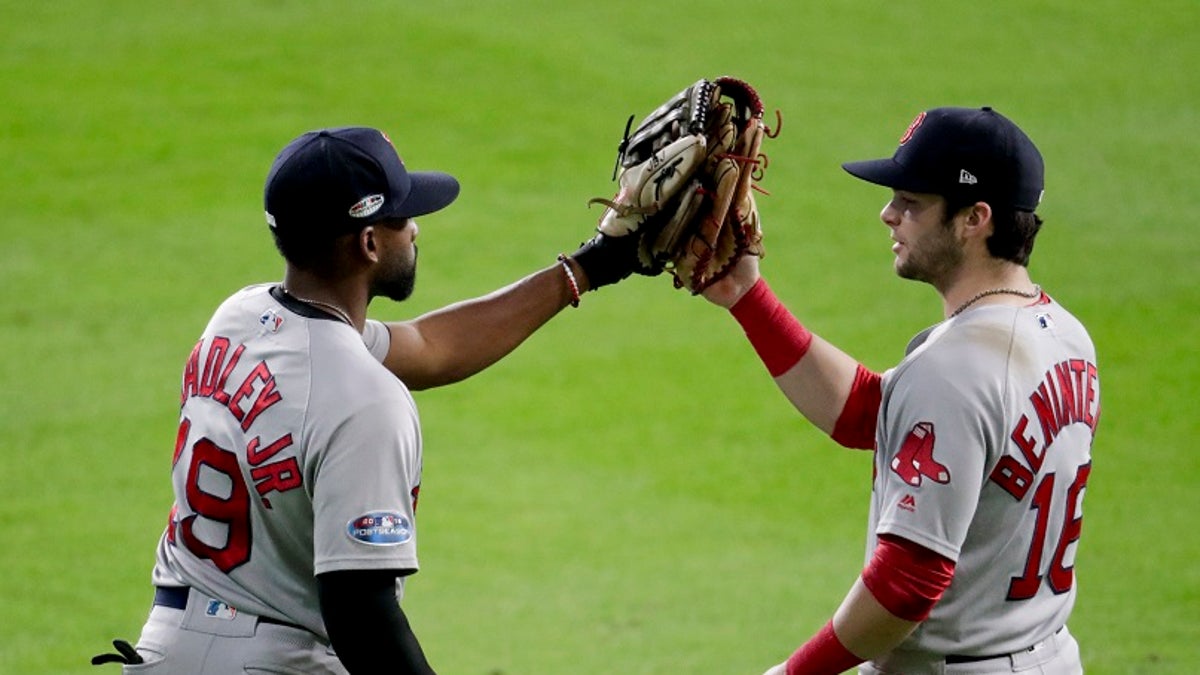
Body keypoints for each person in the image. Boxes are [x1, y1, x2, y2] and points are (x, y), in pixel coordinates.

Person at [92, 126, 638, 673]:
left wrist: (593, 265)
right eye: (402, 218)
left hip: (165, 650)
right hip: (276, 661)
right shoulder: (365, 401)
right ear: (369, 243)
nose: (416, 228)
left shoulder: (240, 317)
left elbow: (431, 346)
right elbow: (360, 613)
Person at [698, 107, 1099, 674]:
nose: (888, 215)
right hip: (1045, 654)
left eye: (912, 203)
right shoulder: (1063, 334)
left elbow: (908, 583)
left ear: (973, 219)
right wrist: (747, 296)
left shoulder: (955, 369)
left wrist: (791, 674)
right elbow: (872, 416)